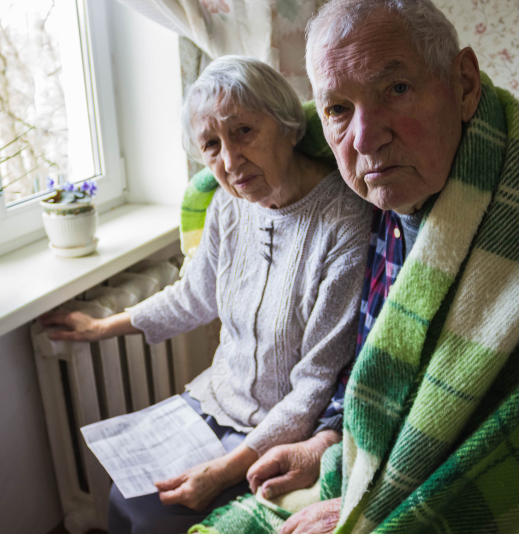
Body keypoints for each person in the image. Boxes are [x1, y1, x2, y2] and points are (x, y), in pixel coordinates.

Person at [190, 0, 519, 533]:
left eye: (396, 89)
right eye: (337, 109)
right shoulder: (375, 205)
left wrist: (364, 512)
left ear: (465, 85)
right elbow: (379, 375)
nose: (365, 137)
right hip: (365, 461)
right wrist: (327, 443)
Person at [39, 55, 372, 534]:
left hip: (280, 428)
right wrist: (100, 327)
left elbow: (316, 385)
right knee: (120, 493)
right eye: (211, 145)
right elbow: (194, 295)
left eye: (243, 132)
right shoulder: (227, 205)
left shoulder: (345, 222)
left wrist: (220, 474)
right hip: (214, 399)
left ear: (287, 126)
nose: (230, 162)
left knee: (153, 520)